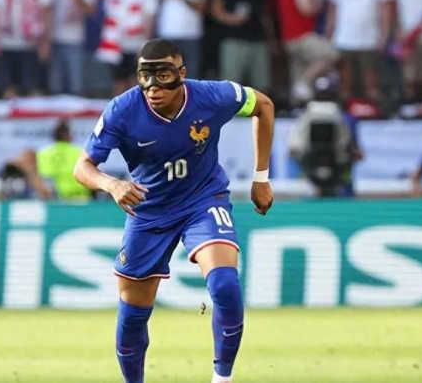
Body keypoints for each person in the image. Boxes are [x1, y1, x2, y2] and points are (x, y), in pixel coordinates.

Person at [73, 39, 275, 383]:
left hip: (203, 200)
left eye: (163, 75)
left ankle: (222, 379)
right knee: (133, 313)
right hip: (148, 211)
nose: (153, 87)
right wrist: (112, 185)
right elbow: (83, 167)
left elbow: (264, 105)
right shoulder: (122, 109)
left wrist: (261, 178)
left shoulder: (212, 96)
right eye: (145, 76)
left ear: (182, 73)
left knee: (225, 284)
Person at [326, 0, 394, 102]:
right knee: (345, 82)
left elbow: (386, 10)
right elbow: (332, 10)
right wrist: (328, 36)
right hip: (343, 38)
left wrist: (384, 36)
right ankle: (345, 107)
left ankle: (374, 108)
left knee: (371, 81)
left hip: (370, 39)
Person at [0, 0, 53, 97]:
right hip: (5, 44)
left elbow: (45, 10)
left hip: (31, 45)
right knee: (7, 89)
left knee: (32, 88)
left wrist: (45, 42)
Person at [277, 0, 338, 104]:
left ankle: (298, 104)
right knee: (330, 55)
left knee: (299, 73)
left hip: (289, 37)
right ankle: (304, 82)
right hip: (302, 36)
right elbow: (307, 9)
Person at [210, 0, 274, 94]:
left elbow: (265, 14)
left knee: (261, 87)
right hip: (233, 40)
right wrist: (233, 19)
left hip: (258, 39)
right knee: (231, 87)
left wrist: (271, 39)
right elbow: (216, 10)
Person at [97, 0, 157, 95]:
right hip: (115, 44)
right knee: (119, 81)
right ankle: (120, 106)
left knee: (136, 82)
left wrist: (146, 43)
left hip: (136, 43)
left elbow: (150, 14)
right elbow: (109, 12)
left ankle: (136, 105)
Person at [48, 0, 96, 95]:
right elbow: (47, 10)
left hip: (75, 40)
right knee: (55, 85)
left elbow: (90, 10)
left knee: (76, 85)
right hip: (55, 39)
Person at [154, 0, 209, 79]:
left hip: (191, 35)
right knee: (164, 76)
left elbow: (202, 6)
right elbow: (149, 5)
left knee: (191, 76)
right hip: (166, 33)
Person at [36, 120, 91, 200]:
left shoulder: (43, 153)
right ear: (67, 135)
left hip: (53, 199)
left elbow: (40, 177)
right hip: (81, 198)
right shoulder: (79, 152)